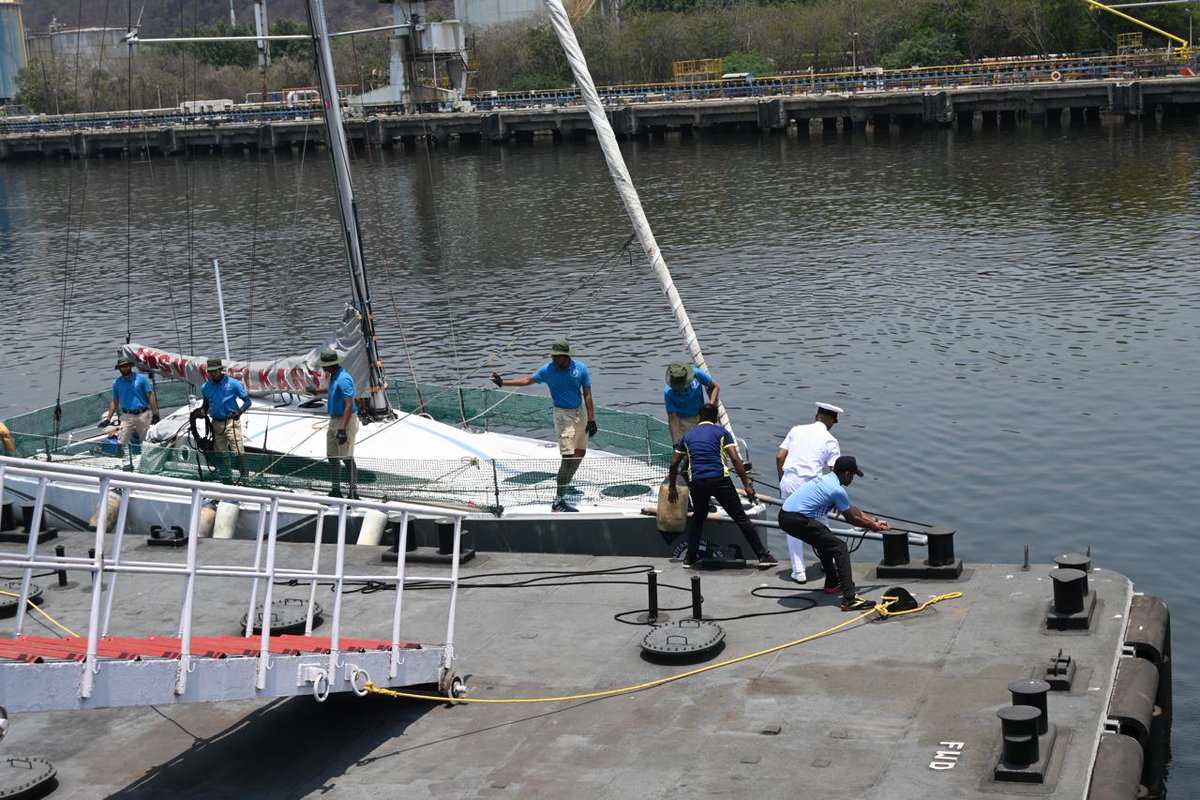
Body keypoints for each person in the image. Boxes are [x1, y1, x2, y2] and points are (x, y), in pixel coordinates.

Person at [491, 338, 597, 512]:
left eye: (557, 357)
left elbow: (587, 394)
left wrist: (592, 420)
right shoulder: (548, 370)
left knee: (580, 453)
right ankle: (558, 501)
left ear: (566, 356)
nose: (554, 360)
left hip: (580, 413)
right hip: (563, 415)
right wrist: (503, 383)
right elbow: (527, 380)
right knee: (568, 457)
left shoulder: (581, 369)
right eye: (553, 356)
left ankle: (565, 483)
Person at [667, 403, 777, 569]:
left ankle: (689, 559)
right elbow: (735, 459)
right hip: (719, 480)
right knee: (740, 517)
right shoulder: (722, 433)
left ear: (699, 417)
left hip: (697, 482)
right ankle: (763, 555)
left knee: (698, 517)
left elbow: (674, 463)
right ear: (715, 418)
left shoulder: (688, 436)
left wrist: (673, 487)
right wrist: (746, 485)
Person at [778, 455, 891, 611]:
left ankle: (832, 583)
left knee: (825, 540)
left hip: (786, 516)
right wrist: (873, 527)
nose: (853, 479)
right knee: (840, 548)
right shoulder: (836, 489)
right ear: (846, 474)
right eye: (852, 475)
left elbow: (850, 508)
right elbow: (852, 519)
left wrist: (874, 520)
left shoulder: (826, 480)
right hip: (796, 519)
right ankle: (850, 599)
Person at [776, 401, 843, 583]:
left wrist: (782, 479)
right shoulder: (830, 440)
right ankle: (828, 561)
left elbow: (779, 456)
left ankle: (799, 572)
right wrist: (836, 498)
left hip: (789, 482)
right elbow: (834, 470)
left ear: (816, 416)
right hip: (811, 486)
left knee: (792, 526)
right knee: (821, 523)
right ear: (831, 421)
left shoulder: (796, 429)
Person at [199, 356, 251, 482]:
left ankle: (244, 478)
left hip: (231, 422)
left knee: (237, 451)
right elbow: (206, 404)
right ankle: (227, 479)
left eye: (215, 371)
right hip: (216, 423)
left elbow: (247, 401)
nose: (213, 374)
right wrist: (201, 412)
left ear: (221, 369)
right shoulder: (205, 387)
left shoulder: (233, 383)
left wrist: (239, 411)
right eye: (210, 372)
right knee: (221, 454)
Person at [320, 349, 359, 499]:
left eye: (324, 365)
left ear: (329, 365)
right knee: (332, 456)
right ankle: (336, 490)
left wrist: (342, 429)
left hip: (345, 421)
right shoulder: (334, 376)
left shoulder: (343, 379)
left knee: (347, 458)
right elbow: (331, 390)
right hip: (334, 420)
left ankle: (352, 493)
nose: (322, 368)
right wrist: (316, 390)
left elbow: (349, 404)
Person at [102, 354, 160, 454]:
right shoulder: (116, 383)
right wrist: (108, 419)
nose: (125, 368)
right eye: (122, 367)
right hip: (127, 415)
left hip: (142, 413)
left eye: (126, 366)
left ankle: (146, 458)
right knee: (122, 440)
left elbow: (150, 396)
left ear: (130, 366)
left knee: (146, 439)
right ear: (119, 369)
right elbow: (115, 401)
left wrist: (155, 413)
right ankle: (119, 459)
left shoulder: (141, 378)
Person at [663, 361, 720, 443]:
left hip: (702, 416)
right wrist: (675, 442)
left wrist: (710, 405)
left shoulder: (697, 374)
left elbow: (715, 387)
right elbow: (672, 418)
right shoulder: (668, 392)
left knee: (709, 442)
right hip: (684, 422)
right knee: (689, 447)